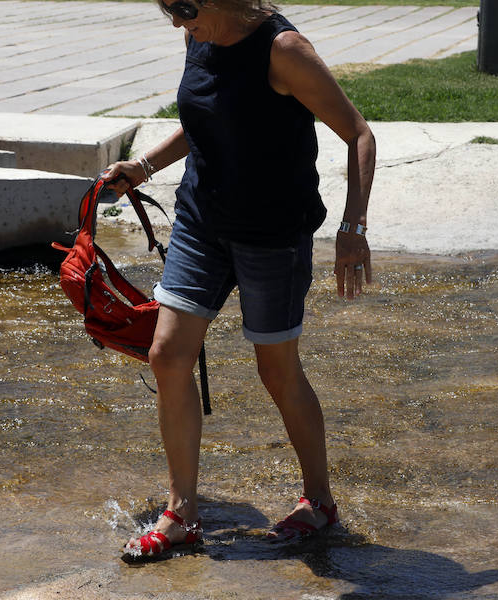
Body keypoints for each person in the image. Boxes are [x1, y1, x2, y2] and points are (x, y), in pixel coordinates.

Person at [102, 0, 375, 563]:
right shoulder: (197, 37)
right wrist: (144, 167)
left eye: (184, 8)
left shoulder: (283, 50)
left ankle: (319, 501)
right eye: (169, 11)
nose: (178, 22)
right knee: (167, 354)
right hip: (203, 224)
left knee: (276, 370)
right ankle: (181, 513)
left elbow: (358, 134)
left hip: (273, 234)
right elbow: (204, 119)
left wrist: (353, 229)